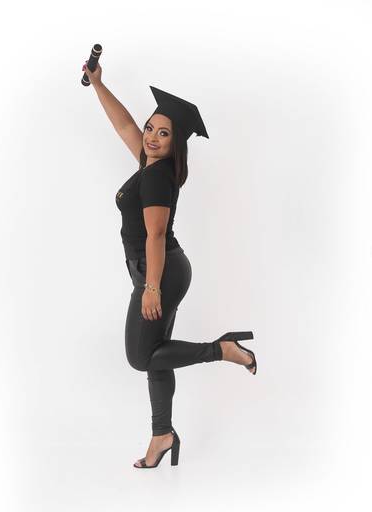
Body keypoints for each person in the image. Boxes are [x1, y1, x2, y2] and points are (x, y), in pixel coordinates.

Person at [83, 59, 257, 469]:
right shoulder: (151, 164)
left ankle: (221, 350)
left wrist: (152, 287)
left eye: (164, 133)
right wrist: (98, 85)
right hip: (159, 270)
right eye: (151, 128)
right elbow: (125, 125)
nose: (151, 137)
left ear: (176, 143)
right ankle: (162, 434)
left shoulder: (158, 176)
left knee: (140, 357)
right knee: (157, 353)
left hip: (160, 272)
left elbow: (156, 235)